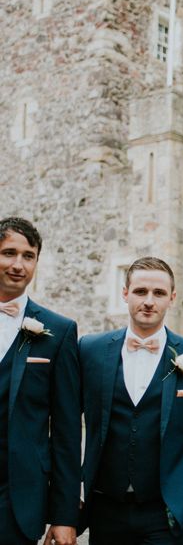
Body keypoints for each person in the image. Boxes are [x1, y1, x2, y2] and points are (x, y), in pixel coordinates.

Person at [79, 256, 183, 544]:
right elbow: (67, 424)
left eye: (158, 293)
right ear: (125, 294)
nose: (149, 301)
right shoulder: (90, 349)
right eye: (140, 292)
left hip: (169, 513)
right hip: (105, 509)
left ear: (172, 298)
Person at [0, 217, 81, 545]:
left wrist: (64, 516)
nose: (18, 264)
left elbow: (66, 429)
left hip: (17, 498)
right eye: (9, 253)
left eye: (28, 256)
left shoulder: (58, 332)